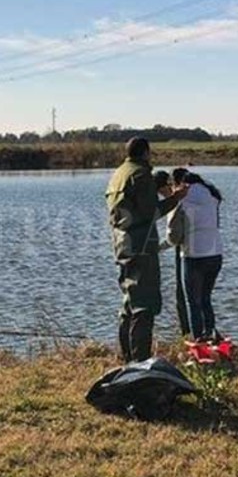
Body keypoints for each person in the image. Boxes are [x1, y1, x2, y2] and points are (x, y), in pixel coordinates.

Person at [105, 137, 186, 362]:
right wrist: (176, 198)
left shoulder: (118, 174)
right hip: (141, 245)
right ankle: (140, 362)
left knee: (129, 301)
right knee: (144, 304)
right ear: (146, 153)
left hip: (122, 244)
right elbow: (152, 212)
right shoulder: (140, 175)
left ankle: (127, 358)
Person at [178, 170, 223, 341]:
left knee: (193, 302)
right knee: (206, 298)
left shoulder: (184, 196)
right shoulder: (212, 197)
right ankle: (211, 334)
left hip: (194, 254)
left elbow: (174, 227)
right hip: (216, 253)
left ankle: (198, 339)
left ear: (181, 183)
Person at [158, 167, 191, 338]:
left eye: (161, 190)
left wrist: (158, 248)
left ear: (170, 185)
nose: (161, 195)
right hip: (206, 250)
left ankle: (188, 334)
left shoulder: (176, 202)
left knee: (184, 294)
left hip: (187, 253)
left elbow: (173, 237)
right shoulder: (194, 195)